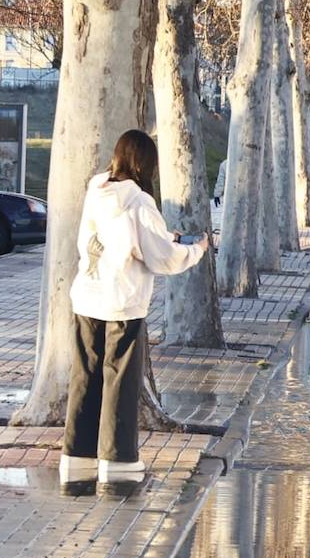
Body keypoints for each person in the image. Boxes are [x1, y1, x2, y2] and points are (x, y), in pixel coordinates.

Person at [63, 130, 208, 484]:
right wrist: (195, 248)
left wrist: (164, 236)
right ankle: (117, 460)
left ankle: (76, 456)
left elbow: (126, 239)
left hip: (87, 295)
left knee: (85, 376)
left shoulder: (97, 189)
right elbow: (162, 257)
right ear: (146, 164)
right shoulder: (140, 202)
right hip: (123, 302)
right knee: (121, 381)